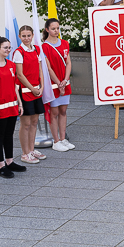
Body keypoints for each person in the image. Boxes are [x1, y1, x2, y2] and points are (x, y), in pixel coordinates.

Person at [0, 35, 27, 178]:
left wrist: (19, 103)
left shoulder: (11, 65)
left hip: (12, 106)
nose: (8, 50)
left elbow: (15, 88)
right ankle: (1, 165)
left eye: (9, 47)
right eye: (5, 47)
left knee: (9, 135)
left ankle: (10, 161)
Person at [13, 25, 46, 164]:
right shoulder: (18, 52)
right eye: (24, 36)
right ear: (20, 37)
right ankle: (25, 153)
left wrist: (42, 86)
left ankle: (31, 150)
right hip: (25, 91)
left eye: (29, 35)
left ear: (33, 35)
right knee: (25, 124)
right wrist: (32, 88)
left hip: (36, 90)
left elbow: (40, 69)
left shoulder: (37, 49)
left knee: (34, 122)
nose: (26, 38)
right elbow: (19, 74)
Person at [42, 18, 74, 152]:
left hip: (64, 82)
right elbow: (48, 68)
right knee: (54, 111)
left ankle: (63, 138)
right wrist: (58, 83)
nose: (56, 31)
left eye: (58, 28)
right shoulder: (44, 47)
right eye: (53, 28)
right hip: (53, 84)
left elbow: (68, 63)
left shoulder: (65, 43)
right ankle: (56, 141)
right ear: (47, 30)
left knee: (63, 111)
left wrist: (65, 80)